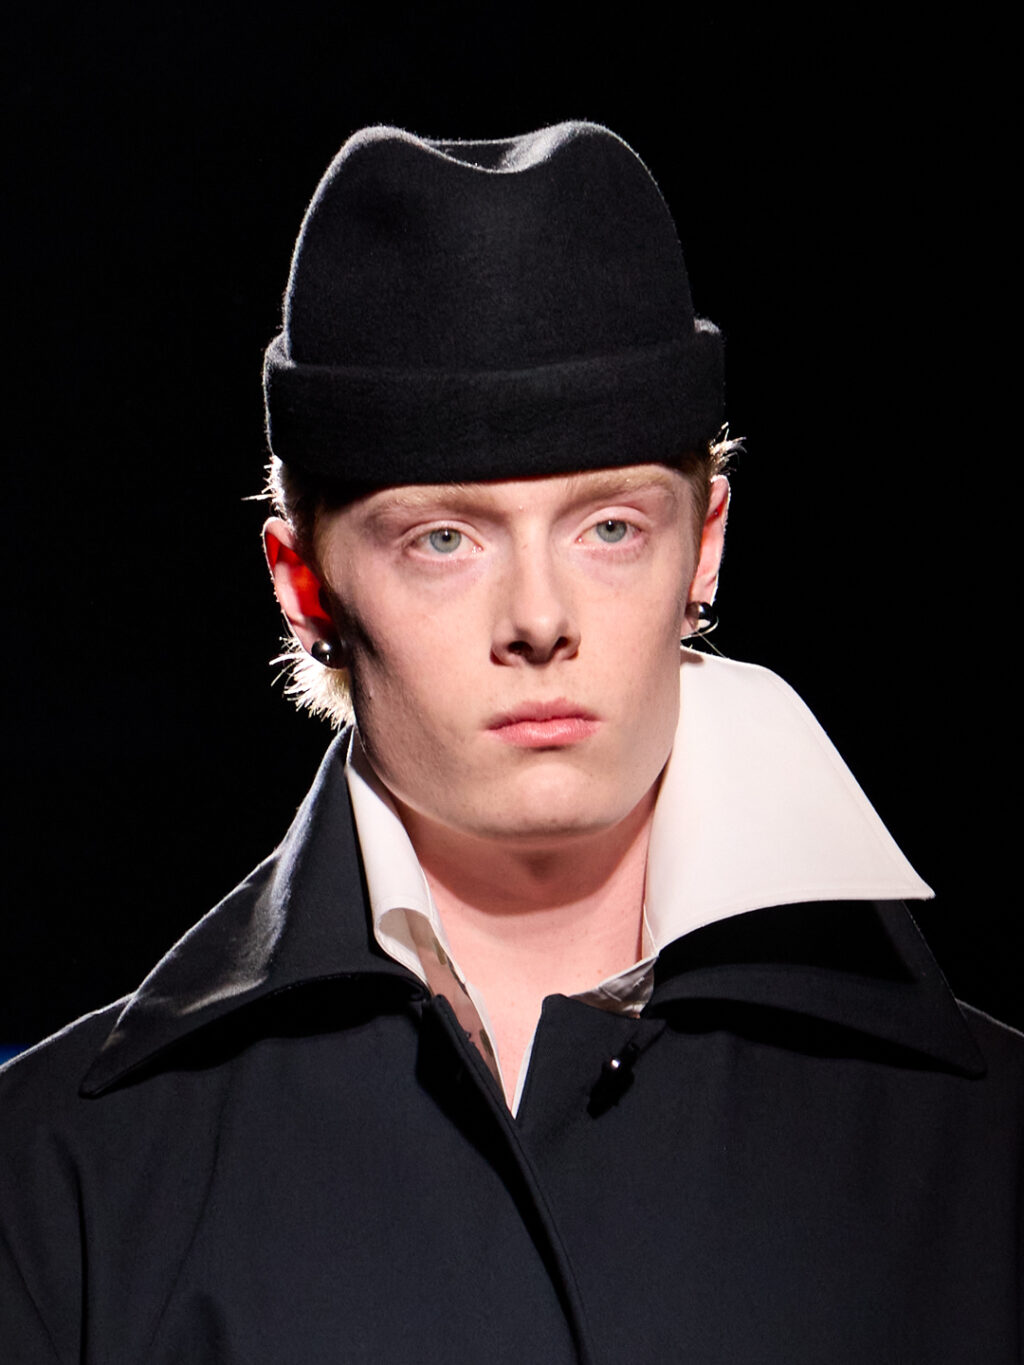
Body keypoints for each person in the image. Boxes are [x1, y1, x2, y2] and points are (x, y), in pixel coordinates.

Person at [1, 122, 1020, 1364]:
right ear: (302, 584)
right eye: (443, 538)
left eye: (608, 528)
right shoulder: (56, 1187)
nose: (539, 619)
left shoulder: (988, 1146)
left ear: (702, 546)